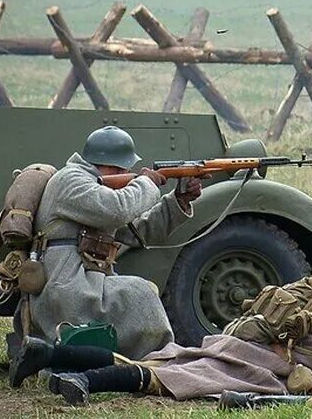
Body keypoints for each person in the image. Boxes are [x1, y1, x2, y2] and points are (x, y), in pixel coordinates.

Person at [12, 269, 312, 405]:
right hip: (255, 367)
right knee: (161, 379)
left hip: (233, 343)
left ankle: (48, 355)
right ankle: (83, 380)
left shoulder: (311, 302)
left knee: (158, 361)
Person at [22, 125, 201, 368]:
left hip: (79, 281)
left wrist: (178, 200)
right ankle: (160, 362)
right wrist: (146, 183)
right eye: (124, 168)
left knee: (138, 291)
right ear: (112, 165)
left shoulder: (94, 185)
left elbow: (139, 231)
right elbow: (118, 210)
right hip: (65, 285)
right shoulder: (71, 180)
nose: (128, 172)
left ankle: (147, 360)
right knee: (139, 294)